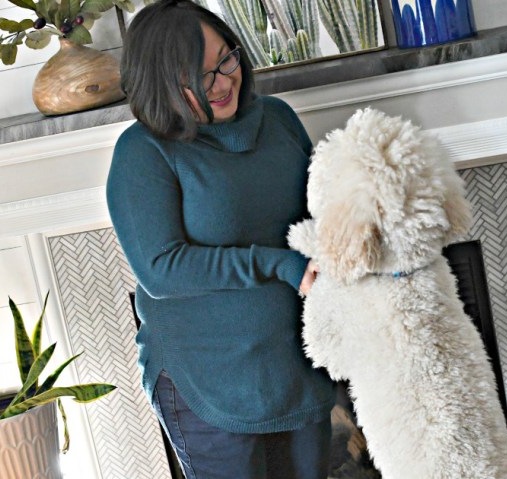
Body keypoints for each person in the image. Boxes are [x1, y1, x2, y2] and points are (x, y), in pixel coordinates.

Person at [106, 1, 335, 478]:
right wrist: (278, 265)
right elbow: (162, 269)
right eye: (201, 76)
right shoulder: (143, 152)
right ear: (161, 83)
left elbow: (319, 214)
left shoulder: (278, 119)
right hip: (208, 382)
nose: (224, 82)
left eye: (225, 60)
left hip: (298, 363)